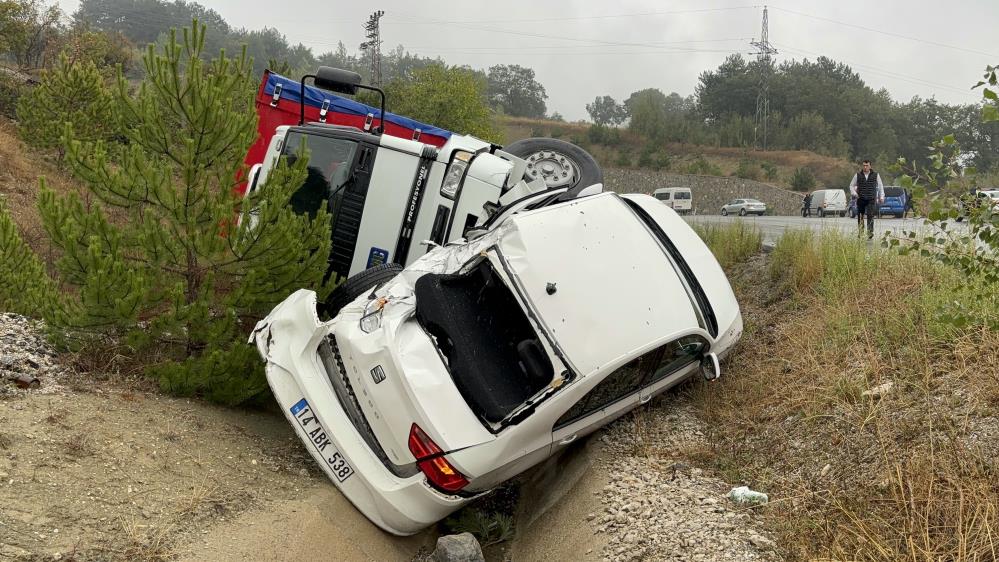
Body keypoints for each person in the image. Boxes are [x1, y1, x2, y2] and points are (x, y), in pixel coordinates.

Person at [848, 159, 885, 239]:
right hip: (861, 198)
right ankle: (861, 233)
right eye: (864, 165)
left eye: (867, 165)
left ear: (870, 166)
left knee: (870, 215)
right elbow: (851, 185)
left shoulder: (876, 175)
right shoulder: (857, 175)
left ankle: (870, 233)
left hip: (871, 198)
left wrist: (881, 196)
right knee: (860, 216)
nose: (865, 167)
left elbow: (880, 186)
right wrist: (854, 193)